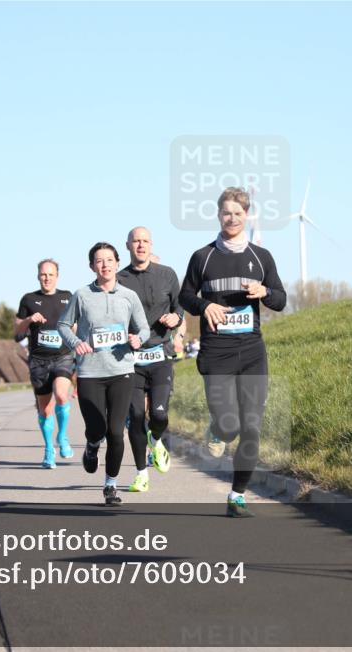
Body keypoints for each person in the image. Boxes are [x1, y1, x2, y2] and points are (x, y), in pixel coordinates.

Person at [179, 186, 287, 518]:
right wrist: (205, 305)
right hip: (217, 352)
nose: (232, 218)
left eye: (238, 213)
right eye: (227, 213)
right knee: (228, 426)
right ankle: (218, 429)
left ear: (247, 215)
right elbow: (184, 297)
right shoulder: (203, 257)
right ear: (218, 215)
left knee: (252, 426)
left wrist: (264, 291)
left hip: (252, 350)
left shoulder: (261, 257)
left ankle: (237, 494)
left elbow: (280, 300)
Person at [58, 242, 149, 506]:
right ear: (92, 266)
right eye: (99, 261)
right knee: (96, 428)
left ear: (117, 264)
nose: (105, 265)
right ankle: (91, 445)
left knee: (116, 431)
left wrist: (137, 339)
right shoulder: (82, 295)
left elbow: (143, 328)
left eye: (109, 260)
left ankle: (110, 485)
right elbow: (63, 324)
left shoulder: (129, 296)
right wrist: (76, 342)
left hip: (122, 370)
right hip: (90, 372)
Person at [117, 227, 181, 492]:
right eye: (136, 241)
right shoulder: (118, 280)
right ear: (128, 245)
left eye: (145, 241)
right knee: (134, 415)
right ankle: (141, 474)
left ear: (150, 244)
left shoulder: (167, 274)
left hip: (160, 356)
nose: (141, 245)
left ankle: (156, 440)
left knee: (158, 413)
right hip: (131, 359)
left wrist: (177, 318)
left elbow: (179, 306)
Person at [15, 259, 75, 469]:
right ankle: (49, 449)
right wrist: (30, 319)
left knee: (61, 395)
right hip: (39, 360)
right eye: (43, 274)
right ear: (38, 276)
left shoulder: (68, 297)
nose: (47, 278)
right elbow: (17, 332)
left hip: (63, 356)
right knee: (45, 410)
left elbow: (75, 328)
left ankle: (63, 436)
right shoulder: (28, 299)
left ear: (57, 276)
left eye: (50, 274)